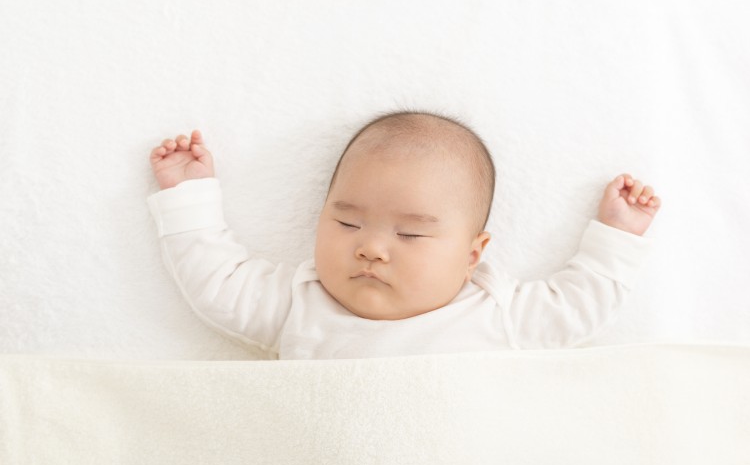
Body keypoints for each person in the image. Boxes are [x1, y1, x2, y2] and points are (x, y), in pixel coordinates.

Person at [148, 111, 661, 359]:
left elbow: (578, 308)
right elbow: (217, 282)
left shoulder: (496, 313)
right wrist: (188, 196)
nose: (370, 247)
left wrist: (617, 235)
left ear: (472, 255)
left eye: (412, 234)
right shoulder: (299, 303)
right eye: (346, 223)